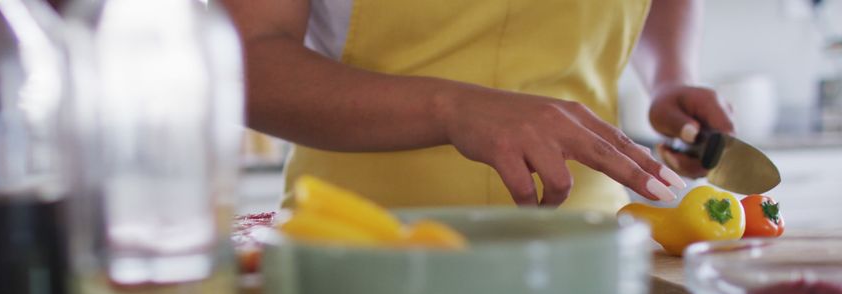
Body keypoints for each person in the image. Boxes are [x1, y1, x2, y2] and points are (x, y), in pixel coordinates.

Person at [221, 0, 736, 213]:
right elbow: (244, 63)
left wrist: (671, 74)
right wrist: (452, 107)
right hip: (363, 249)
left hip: (587, 255)